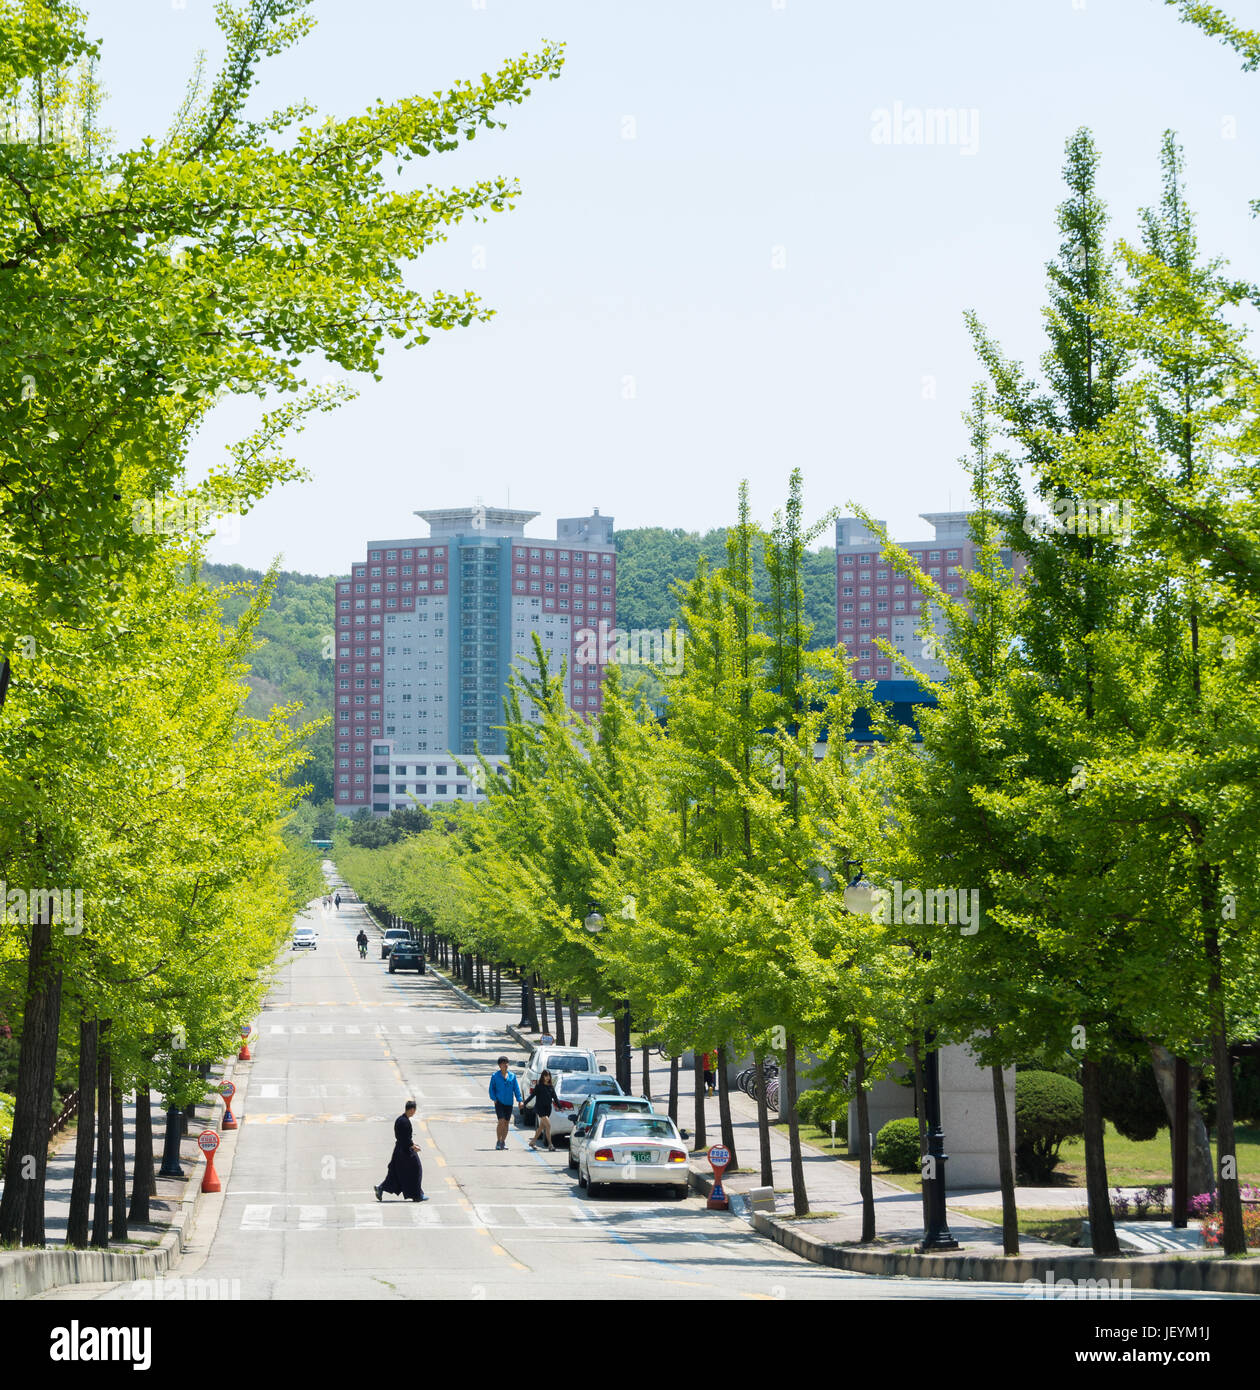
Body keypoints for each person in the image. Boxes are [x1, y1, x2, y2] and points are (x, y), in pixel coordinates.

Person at [374, 1100, 426, 1202]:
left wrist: (412, 1144)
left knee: (395, 1174)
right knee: (416, 1169)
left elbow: (403, 1138)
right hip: (405, 1152)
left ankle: (381, 1188)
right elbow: (405, 1139)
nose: (414, 1113)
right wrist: (413, 1147)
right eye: (414, 1110)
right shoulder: (404, 1122)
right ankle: (417, 1195)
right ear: (411, 1110)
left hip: (399, 1150)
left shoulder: (401, 1119)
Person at [488, 1056, 523, 1150]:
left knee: (506, 1123)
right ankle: (498, 1141)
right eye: (503, 1063)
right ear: (500, 1065)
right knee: (501, 1121)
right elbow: (492, 1089)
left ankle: (503, 1141)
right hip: (499, 1102)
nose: (505, 1065)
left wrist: (520, 1101)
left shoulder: (512, 1076)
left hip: (509, 1103)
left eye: (507, 1063)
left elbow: (516, 1089)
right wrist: (494, 1099)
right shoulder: (495, 1076)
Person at [525, 1070, 558, 1152]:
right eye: (545, 1076)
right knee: (548, 1125)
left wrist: (560, 1107)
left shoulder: (551, 1087)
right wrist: (524, 1103)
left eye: (548, 1076)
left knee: (541, 1127)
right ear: (542, 1076)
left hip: (548, 1109)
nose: (547, 1077)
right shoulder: (539, 1086)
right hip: (540, 1109)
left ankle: (532, 1142)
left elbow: (555, 1098)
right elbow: (532, 1095)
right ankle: (550, 1145)